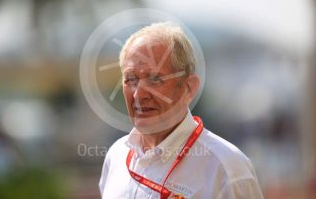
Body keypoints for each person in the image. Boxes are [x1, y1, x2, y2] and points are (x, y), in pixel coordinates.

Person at [99, 22, 263, 198]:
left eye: (155, 79)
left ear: (189, 88)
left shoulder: (226, 168)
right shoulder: (116, 156)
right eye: (131, 79)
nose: (139, 94)